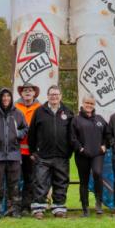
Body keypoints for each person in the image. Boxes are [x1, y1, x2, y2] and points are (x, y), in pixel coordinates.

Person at [27, 84, 74, 218]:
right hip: (43, 155)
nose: (54, 97)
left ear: (61, 96)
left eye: (56, 94)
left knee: (61, 182)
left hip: (62, 155)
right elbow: (32, 133)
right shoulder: (39, 111)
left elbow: (72, 135)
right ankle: (38, 209)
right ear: (47, 96)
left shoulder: (68, 112)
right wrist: (32, 151)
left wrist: (68, 152)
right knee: (40, 182)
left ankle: (59, 208)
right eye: (51, 94)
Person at [0, 87, 28, 218]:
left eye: (8, 96)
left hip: (14, 155)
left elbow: (25, 128)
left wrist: (17, 134)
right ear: (0, 98)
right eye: (3, 96)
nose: (5, 98)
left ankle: (13, 210)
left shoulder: (18, 113)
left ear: (11, 98)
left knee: (14, 184)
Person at [70, 95, 111, 217]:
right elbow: (72, 137)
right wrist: (80, 148)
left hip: (97, 154)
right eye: (87, 103)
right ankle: (85, 207)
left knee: (97, 173)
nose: (89, 105)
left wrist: (105, 145)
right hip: (82, 154)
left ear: (94, 105)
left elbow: (108, 133)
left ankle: (98, 203)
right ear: (82, 103)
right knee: (84, 181)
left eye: (91, 103)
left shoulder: (100, 119)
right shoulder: (76, 120)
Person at [14, 83, 41, 213]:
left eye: (30, 90)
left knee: (30, 179)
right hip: (16, 150)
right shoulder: (15, 107)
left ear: (34, 93)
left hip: (31, 151)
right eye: (25, 90)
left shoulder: (40, 107)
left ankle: (26, 206)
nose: (27, 92)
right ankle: (15, 206)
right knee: (15, 179)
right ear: (21, 93)